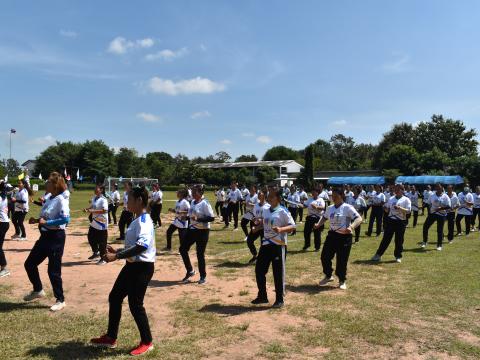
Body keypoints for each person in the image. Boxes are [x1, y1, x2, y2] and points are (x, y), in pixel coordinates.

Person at [90, 185, 156, 356]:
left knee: (136, 305)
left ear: (139, 201)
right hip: (131, 266)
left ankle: (147, 341)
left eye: (130, 199)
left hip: (142, 268)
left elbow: (142, 246)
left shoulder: (144, 221)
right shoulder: (136, 220)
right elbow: (134, 246)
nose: (127, 202)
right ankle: (111, 337)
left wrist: (116, 257)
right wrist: (118, 251)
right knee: (115, 297)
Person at [23, 172, 70, 311]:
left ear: (55, 185)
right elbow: (46, 216)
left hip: (56, 238)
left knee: (53, 271)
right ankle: (38, 290)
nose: (46, 183)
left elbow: (66, 219)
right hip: (44, 237)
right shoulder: (50, 197)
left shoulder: (62, 199)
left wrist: (47, 221)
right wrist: (37, 221)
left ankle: (60, 300)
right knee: (30, 264)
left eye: (49, 182)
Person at [251, 187, 295, 308]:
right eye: (268, 196)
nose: (269, 198)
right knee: (259, 270)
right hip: (266, 244)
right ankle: (262, 296)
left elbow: (292, 226)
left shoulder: (283, 211)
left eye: (271, 196)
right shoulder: (266, 210)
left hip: (278, 245)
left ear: (278, 198)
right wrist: (258, 226)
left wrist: (281, 229)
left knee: (277, 273)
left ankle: (279, 299)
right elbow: (265, 223)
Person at [316, 187, 362, 290]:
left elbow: (359, 218)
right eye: (333, 195)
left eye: (336, 196)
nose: (333, 197)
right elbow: (324, 217)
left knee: (342, 260)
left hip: (344, 237)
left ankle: (342, 280)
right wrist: (319, 224)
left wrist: (351, 227)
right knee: (325, 256)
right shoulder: (330, 208)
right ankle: (328, 275)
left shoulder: (347, 207)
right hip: (332, 236)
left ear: (341, 196)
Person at [180, 185, 214, 284]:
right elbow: (191, 216)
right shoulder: (193, 202)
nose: (193, 193)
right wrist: (186, 217)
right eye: (193, 191)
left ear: (200, 192)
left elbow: (211, 218)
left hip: (203, 231)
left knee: (200, 254)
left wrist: (198, 219)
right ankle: (190, 271)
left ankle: (203, 276)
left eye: (195, 192)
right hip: (192, 229)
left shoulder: (205, 203)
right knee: (182, 249)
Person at [371, 184, 411, 263]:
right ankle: (378, 255)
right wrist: (385, 208)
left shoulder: (406, 200)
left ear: (402, 190)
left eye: (398, 189)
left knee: (399, 240)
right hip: (391, 220)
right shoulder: (391, 198)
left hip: (401, 221)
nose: (396, 190)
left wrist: (399, 208)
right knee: (386, 238)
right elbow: (387, 209)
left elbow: (408, 211)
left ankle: (398, 256)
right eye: (395, 189)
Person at [422, 183, 451, 251]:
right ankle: (425, 241)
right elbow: (428, 203)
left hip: (441, 215)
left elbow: (449, 206)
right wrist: (422, 207)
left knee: (439, 230)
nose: (438, 189)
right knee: (425, 227)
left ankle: (439, 245)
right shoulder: (432, 195)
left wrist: (440, 208)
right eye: (436, 188)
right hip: (433, 213)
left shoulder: (445, 196)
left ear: (442, 188)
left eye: (439, 188)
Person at [84, 185, 109, 265]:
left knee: (102, 241)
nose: (95, 190)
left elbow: (104, 210)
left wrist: (92, 211)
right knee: (90, 237)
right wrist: (87, 209)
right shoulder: (94, 198)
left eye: (96, 189)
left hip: (102, 222)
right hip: (95, 221)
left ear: (101, 190)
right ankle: (96, 252)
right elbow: (92, 206)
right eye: (94, 188)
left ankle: (104, 258)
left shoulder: (103, 199)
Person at [246, 189, 270, 264]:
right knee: (249, 240)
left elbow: (268, 218)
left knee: (263, 244)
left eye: (261, 193)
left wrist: (260, 221)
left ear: (264, 195)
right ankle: (255, 256)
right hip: (256, 226)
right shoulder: (256, 205)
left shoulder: (268, 206)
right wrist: (253, 220)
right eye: (258, 193)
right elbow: (253, 216)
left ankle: (262, 259)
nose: (259, 194)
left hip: (264, 227)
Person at [0, 181, 11, 278]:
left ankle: (4, 268)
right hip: (4, 223)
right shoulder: (3, 196)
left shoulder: (1, 197)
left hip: (2, 224)